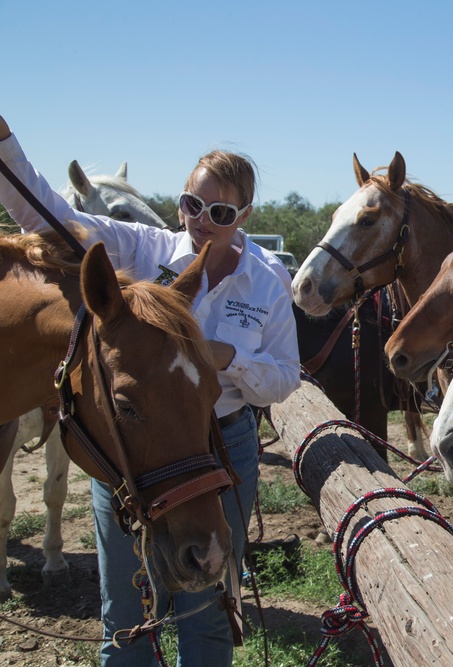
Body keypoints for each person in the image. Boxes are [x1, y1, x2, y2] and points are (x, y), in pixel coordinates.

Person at [0, 114, 301, 666]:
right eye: (191, 205)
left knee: (209, 603)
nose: (201, 222)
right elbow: (47, 216)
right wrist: (5, 147)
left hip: (221, 445)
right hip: (133, 445)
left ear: (246, 216)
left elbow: (284, 377)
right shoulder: (142, 251)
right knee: (126, 608)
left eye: (220, 213)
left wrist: (227, 358)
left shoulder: (267, 282)